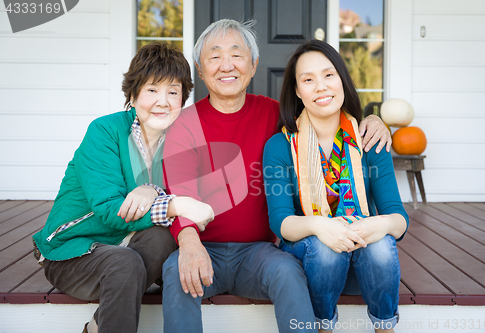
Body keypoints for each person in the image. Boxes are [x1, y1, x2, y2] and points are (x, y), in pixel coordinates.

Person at [161, 20, 392, 332]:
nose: (226, 65)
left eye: (237, 55)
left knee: (287, 271)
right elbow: (180, 194)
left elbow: (325, 116)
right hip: (203, 247)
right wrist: (188, 243)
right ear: (200, 70)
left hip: (260, 252)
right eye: (214, 57)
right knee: (177, 271)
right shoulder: (185, 123)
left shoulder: (275, 115)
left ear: (254, 65)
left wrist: (373, 120)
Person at [32, 42, 214, 333]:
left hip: (126, 245)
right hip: (73, 250)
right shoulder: (104, 131)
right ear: (133, 94)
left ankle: (98, 324)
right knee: (125, 262)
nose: (163, 101)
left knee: (162, 239)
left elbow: (196, 192)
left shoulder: (180, 140)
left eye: (173, 91)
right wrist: (174, 204)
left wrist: (153, 190)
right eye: (152, 90)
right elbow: (108, 209)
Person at [262, 40, 409, 332]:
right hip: (313, 261)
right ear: (297, 91)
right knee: (326, 247)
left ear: (342, 79)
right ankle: (322, 326)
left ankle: (385, 327)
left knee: (382, 246)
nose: (321, 86)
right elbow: (281, 222)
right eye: (308, 79)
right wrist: (320, 226)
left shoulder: (370, 140)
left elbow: (398, 218)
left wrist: (380, 225)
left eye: (329, 75)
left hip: (363, 260)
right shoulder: (280, 146)